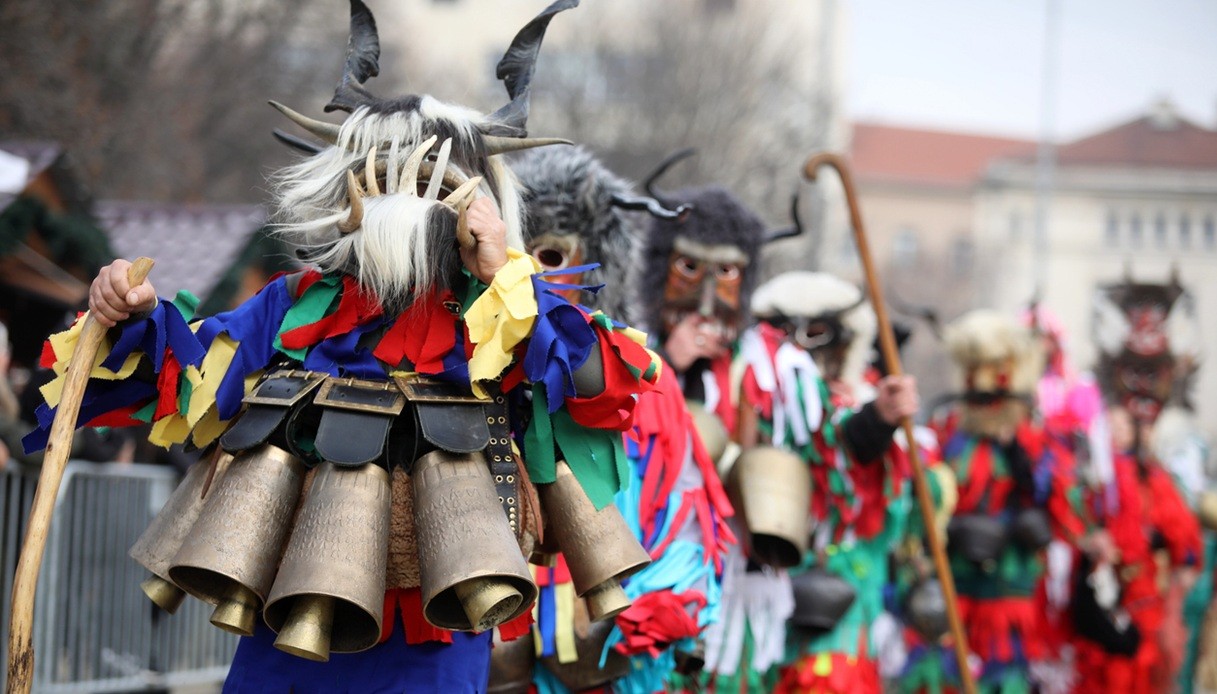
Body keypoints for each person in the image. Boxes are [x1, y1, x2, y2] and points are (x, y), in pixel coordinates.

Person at [23, 2, 667, 691]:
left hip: (437, 628)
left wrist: (504, 271)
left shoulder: (508, 307)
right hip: (286, 622)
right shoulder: (294, 303)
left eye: (432, 175)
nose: (409, 193)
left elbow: (606, 390)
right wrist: (132, 317)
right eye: (384, 171)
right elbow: (190, 387)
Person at [506, 145, 734, 693]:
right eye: (517, 253)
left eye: (551, 255)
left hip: (608, 657)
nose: (529, 273)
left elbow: (683, 509)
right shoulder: (470, 372)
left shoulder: (644, 382)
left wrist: (655, 608)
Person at [735, 271, 932, 694]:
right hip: (754, 595)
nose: (798, 346)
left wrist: (878, 420)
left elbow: (845, 445)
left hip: (837, 597)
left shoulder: (846, 405)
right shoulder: (745, 393)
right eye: (785, 332)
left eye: (816, 333)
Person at [912, 310, 1086, 694]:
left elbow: (1067, 512)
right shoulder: (947, 433)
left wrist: (1022, 460)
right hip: (952, 588)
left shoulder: (1038, 440)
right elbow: (921, 498)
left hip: (1010, 595)